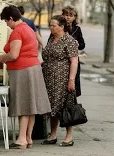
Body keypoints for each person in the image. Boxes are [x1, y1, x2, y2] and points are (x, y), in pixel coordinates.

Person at [0, 5, 51, 149]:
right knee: (31, 105)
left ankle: (21, 139)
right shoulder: (28, 28)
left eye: (6, 22)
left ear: (10, 18)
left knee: (22, 105)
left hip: (22, 70)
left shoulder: (17, 32)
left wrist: (2, 57)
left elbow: (14, 55)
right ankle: (28, 137)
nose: (6, 25)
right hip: (33, 68)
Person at [41, 15, 79, 147]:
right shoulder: (51, 38)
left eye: (53, 25)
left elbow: (74, 61)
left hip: (62, 78)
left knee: (65, 106)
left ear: (62, 27)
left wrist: (71, 80)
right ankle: (53, 134)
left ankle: (69, 136)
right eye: (50, 25)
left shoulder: (69, 40)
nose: (51, 28)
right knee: (52, 106)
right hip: (49, 78)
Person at [61, 5, 85, 97]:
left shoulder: (77, 29)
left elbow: (82, 45)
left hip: (74, 61)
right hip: (62, 62)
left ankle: (72, 109)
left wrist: (77, 43)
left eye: (70, 15)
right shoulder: (59, 27)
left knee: (72, 88)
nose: (67, 17)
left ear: (74, 17)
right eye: (66, 14)